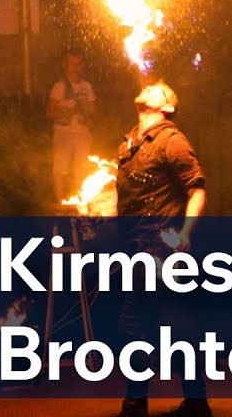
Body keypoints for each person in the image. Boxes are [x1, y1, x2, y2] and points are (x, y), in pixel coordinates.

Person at [114, 82, 209, 417]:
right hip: (135, 248)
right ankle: (192, 403)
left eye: (159, 88)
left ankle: (137, 403)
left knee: (142, 321)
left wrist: (185, 233)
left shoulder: (172, 141)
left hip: (163, 248)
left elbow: (197, 191)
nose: (149, 87)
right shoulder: (128, 145)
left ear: (166, 106)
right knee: (158, 324)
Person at [47, 50, 97, 202]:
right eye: (72, 64)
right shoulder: (59, 87)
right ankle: (61, 201)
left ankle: (81, 200)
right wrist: (66, 112)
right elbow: (50, 112)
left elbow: (93, 110)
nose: (75, 67)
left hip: (82, 132)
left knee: (82, 168)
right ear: (65, 65)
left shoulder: (87, 86)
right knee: (60, 168)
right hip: (64, 132)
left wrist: (87, 115)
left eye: (79, 64)